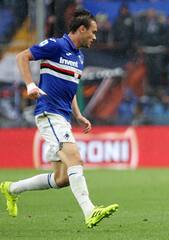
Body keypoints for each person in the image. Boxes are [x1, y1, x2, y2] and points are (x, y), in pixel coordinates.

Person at [0, 9, 118, 228]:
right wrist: (30, 85)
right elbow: (22, 56)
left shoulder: (79, 57)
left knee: (61, 179)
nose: (94, 37)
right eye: (92, 32)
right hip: (49, 112)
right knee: (75, 159)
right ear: (81, 29)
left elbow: (69, 88)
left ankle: (11, 188)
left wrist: (78, 114)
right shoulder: (56, 45)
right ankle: (90, 211)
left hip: (63, 116)